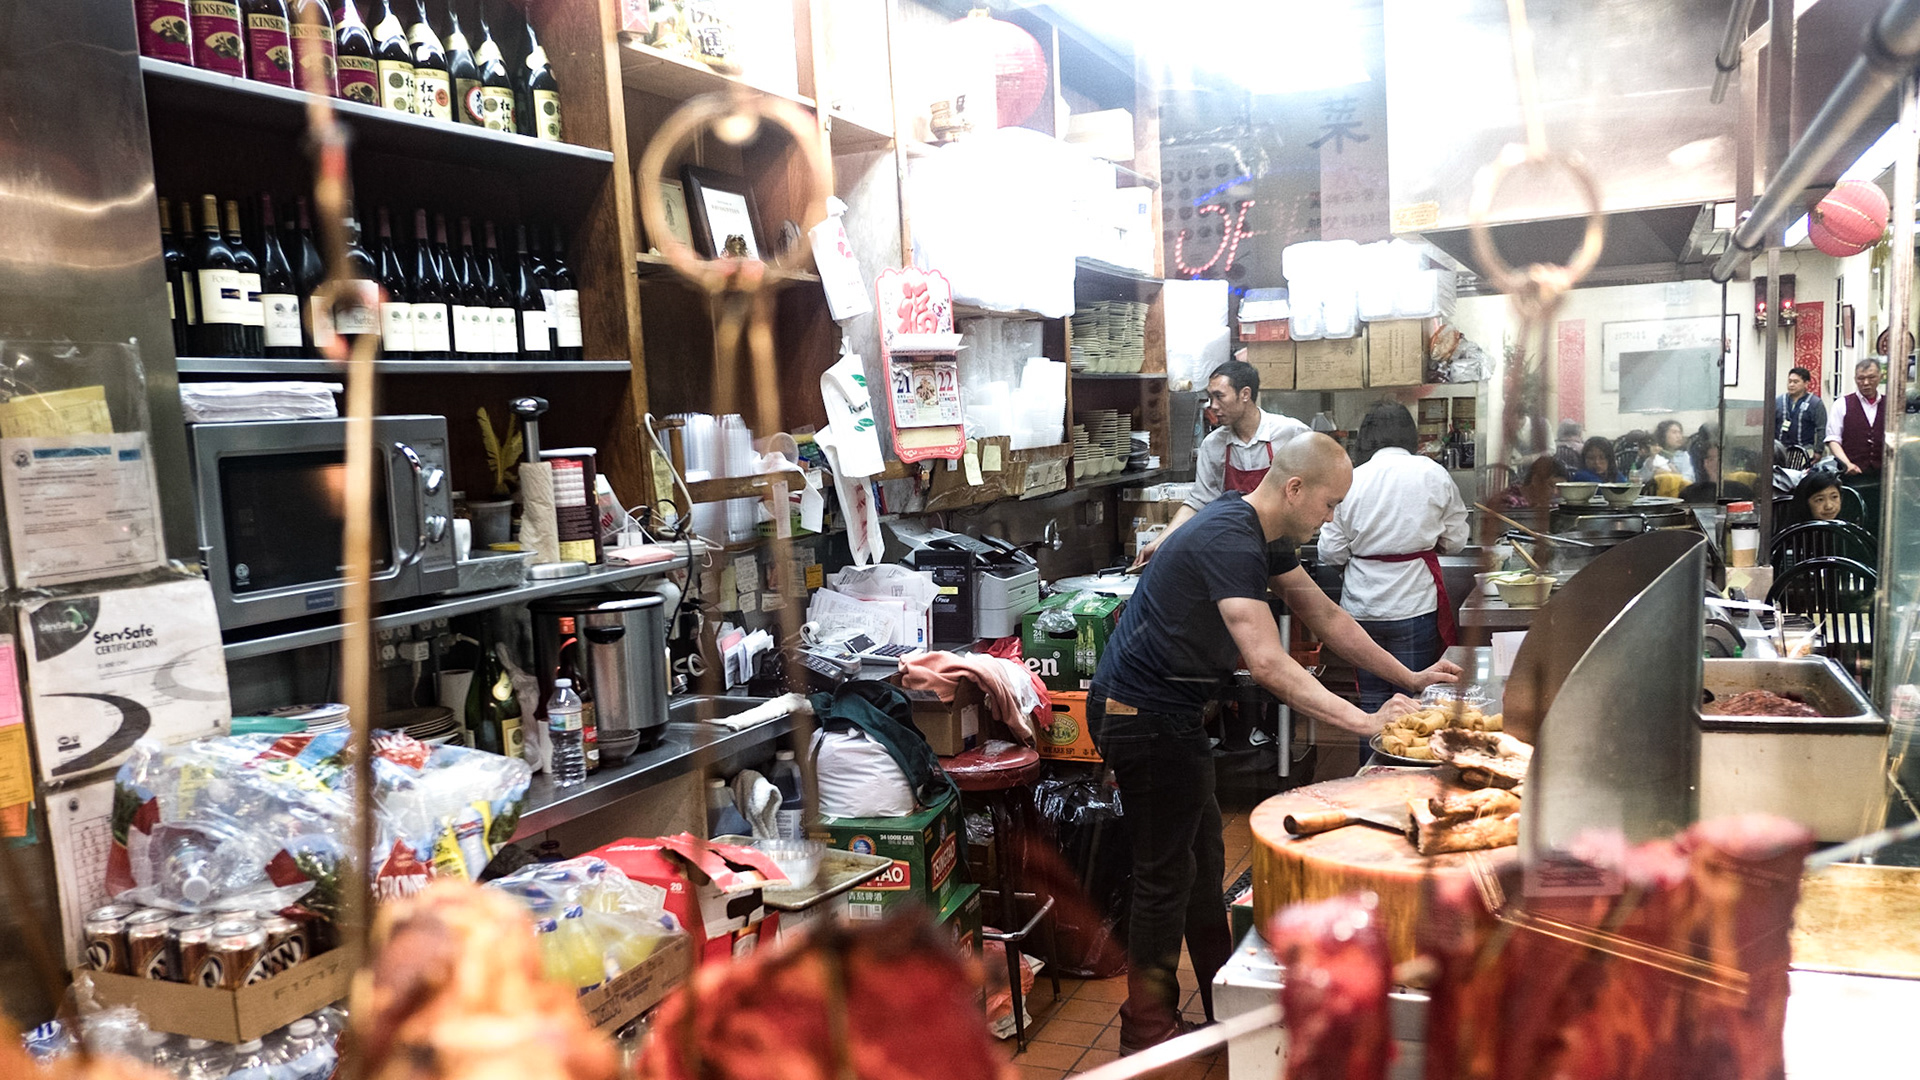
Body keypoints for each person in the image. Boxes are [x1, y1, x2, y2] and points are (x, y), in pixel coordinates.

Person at [1088, 433, 1459, 1054]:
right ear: (1294, 489)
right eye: (1330, 502)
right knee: (1164, 877)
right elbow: (1266, 660)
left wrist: (1410, 678)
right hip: (1141, 715)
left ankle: (1220, 1011)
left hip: (1170, 714)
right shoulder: (1232, 536)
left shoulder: (1263, 532)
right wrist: (1366, 723)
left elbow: (1327, 618)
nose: (1332, 516)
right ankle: (1146, 1031)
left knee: (1201, 867)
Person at [1317, 403, 1471, 712]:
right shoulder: (1433, 473)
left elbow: (1329, 550)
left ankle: (1372, 761)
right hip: (1414, 606)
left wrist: (1362, 554)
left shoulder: (1351, 479)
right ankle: (1406, 760)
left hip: (1361, 609)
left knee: (1372, 706)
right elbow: (1455, 540)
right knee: (1414, 702)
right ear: (1410, 436)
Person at [1133, 359, 1306, 565]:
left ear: (1245, 394)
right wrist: (1161, 542)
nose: (1213, 406)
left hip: (1282, 551)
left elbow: (1319, 485)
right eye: (1210, 397)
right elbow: (1198, 503)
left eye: (1219, 397)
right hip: (1235, 553)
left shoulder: (1291, 433)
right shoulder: (1213, 445)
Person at [1826, 360, 1886, 526]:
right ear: (1855, 379)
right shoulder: (1842, 404)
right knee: (1850, 520)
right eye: (1861, 378)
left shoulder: (1890, 405)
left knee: (1879, 522)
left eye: (1871, 377)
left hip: (1882, 478)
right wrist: (1847, 464)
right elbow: (1833, 439)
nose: (1866, 383)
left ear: (1880, 377)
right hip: (1852, 478)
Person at [1776, 366, 1827, 454]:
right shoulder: (1779, 401)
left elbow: (1821, 428)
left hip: (1805, 449)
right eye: (1790, 381)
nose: (1791, 385)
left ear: (1806, 383)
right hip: (1780, 449)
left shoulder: (1815, 403)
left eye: (1796, 382)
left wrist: (1818, 450)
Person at [1491, 455, 1567, 509]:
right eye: (1551, 486)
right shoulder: (1509, 501)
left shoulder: (1553, 504)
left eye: (1560, 488)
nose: (1555, 492)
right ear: (1536, 480)